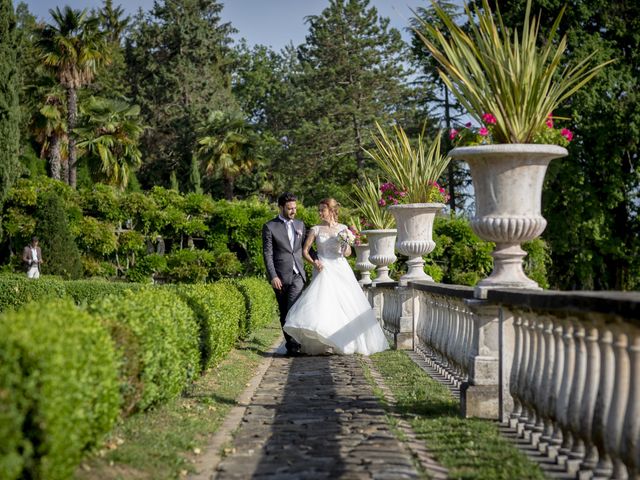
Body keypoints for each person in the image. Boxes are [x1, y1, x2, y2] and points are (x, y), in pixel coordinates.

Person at [283, 198, 389, 355]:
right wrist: (315, 262)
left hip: (340, 268)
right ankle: (325, 341)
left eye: (322, 210)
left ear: (331, 211)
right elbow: (305, 251)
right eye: (319, 210)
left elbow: (347, 253)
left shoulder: (343, 229)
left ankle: (344, 340)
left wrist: (345, 243)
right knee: (323, 303)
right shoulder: (315, 229)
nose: (320, 213)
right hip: (323, 269)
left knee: (345, 304)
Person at [262, 192, 309, 356]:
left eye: (295, 208)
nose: (293, 211)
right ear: (281, 207)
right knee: (284, 312)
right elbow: (267, 254)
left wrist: (317, 261)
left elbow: (306, 249)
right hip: (280, 276)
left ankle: (295, 344)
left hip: (298, 274)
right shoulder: (269, 227)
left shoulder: (300, 225)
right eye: (290, 208)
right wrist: (273, 275)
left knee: (293, 308)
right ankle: (291, 345)